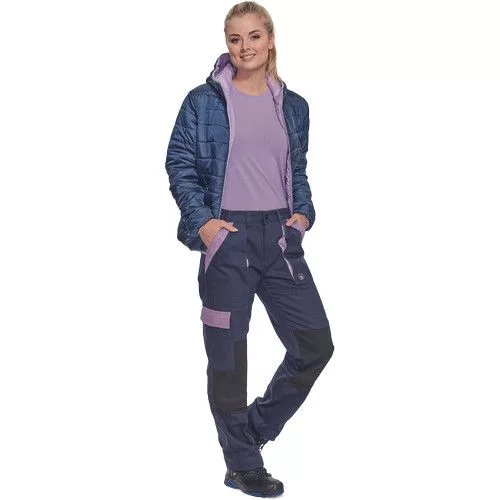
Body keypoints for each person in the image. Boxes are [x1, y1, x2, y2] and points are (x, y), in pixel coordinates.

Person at [164, 2, 334, 497]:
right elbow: (179, 164)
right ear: (227, 43)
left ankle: (250, 431)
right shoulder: (203, 102)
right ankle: (242, 465)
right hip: (228, 239)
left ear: (270, 39)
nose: (245, 47)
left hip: (280, 239)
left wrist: (303, 214)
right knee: (228, 357)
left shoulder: (294, 105)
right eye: (235, 39)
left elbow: (296, 170)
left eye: (254, 36)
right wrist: (205, 226)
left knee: (314, 346)